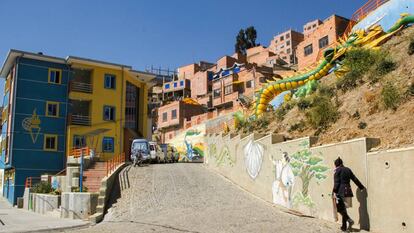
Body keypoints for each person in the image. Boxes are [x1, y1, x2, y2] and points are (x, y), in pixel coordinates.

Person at [333, 157, 365, 231]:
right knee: (344, 209)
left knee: (339, 209)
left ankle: (349, 219)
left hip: (340, 192)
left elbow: (336, 183)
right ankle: (344, 227)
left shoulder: (337, 171)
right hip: (348, 191)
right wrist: (361, 187)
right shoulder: (348, 169)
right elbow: (354, 179)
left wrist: (334, 191)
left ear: (336, 164)